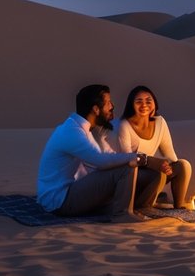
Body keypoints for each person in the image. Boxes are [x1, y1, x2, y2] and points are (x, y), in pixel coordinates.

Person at [37, 84, 166, 219]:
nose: (112, 106)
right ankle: (122, 215)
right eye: (108, 103)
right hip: (60, 201)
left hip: (72, 192)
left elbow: (108, 156)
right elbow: (100, 161)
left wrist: (144, 161)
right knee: (127, 167)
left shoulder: (82, 129)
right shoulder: (72, 131)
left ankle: (140, 208)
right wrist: (141, 159)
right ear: (96, 109)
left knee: (151, 174)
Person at [114, 85, 193, 209]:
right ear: (131, 105)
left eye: (148, 101)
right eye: (139, 101)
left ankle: (178, 207)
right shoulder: (124, 125)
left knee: (183, 165)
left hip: (153, 170)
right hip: (133, 175)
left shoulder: (160, 122)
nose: (144, 105)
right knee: (157, 173)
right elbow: (127, 160)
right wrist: (153, 163)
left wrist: (168, 167)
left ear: (154, 103)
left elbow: (170, 154)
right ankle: (143, 207)